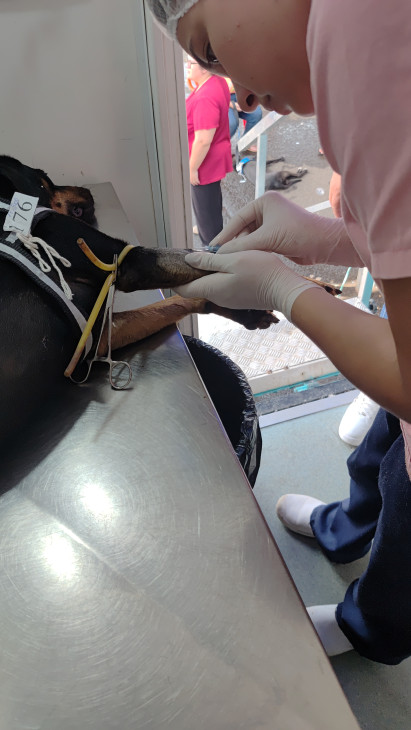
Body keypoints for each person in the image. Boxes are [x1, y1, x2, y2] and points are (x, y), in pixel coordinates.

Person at [146, 0, 411, 666]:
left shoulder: (355, 31)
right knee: (380, 455)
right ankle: (342, 528)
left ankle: (368, 627)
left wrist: (283, 291)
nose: (237, 93)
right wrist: (323, 237)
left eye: (210, 50)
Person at [185, 57, 232, 249]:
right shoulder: (217, 82)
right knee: (210, 204)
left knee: (206, 210)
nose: (187, 66)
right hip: (213, 157)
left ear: (204, 68)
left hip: (204, 163)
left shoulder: (205, 97)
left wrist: (192, 168)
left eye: (191, 63)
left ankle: (212, 251)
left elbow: (203, 140)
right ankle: (207, 230)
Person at [225, 77, 263, 151]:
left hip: (238, 94)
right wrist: (231, 104)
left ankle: (246, 143)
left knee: (256, 113)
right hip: (220, 97)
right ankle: (218, 146)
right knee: (232, 123)